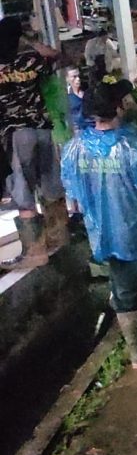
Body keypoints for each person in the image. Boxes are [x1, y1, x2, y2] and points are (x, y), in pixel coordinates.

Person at [61, 83, 137, 369]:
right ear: (118, 108)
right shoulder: (134, 146)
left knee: (125, 297)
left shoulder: (73, 150)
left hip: (106, 241)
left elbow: (73, 198)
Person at [0, 16, 66, 269]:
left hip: (17, 134)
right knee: (50, 182)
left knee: (22, 188)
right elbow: (58, 56)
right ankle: (58, 240)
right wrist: (29, 39)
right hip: (43, 129)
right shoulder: (30, 60)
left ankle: (35, 251)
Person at [65, 67, 92, 131]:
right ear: (67, 79)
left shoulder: (88, 92)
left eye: (79, 76)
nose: (78, 79)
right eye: (74, 77)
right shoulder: (66, 97)